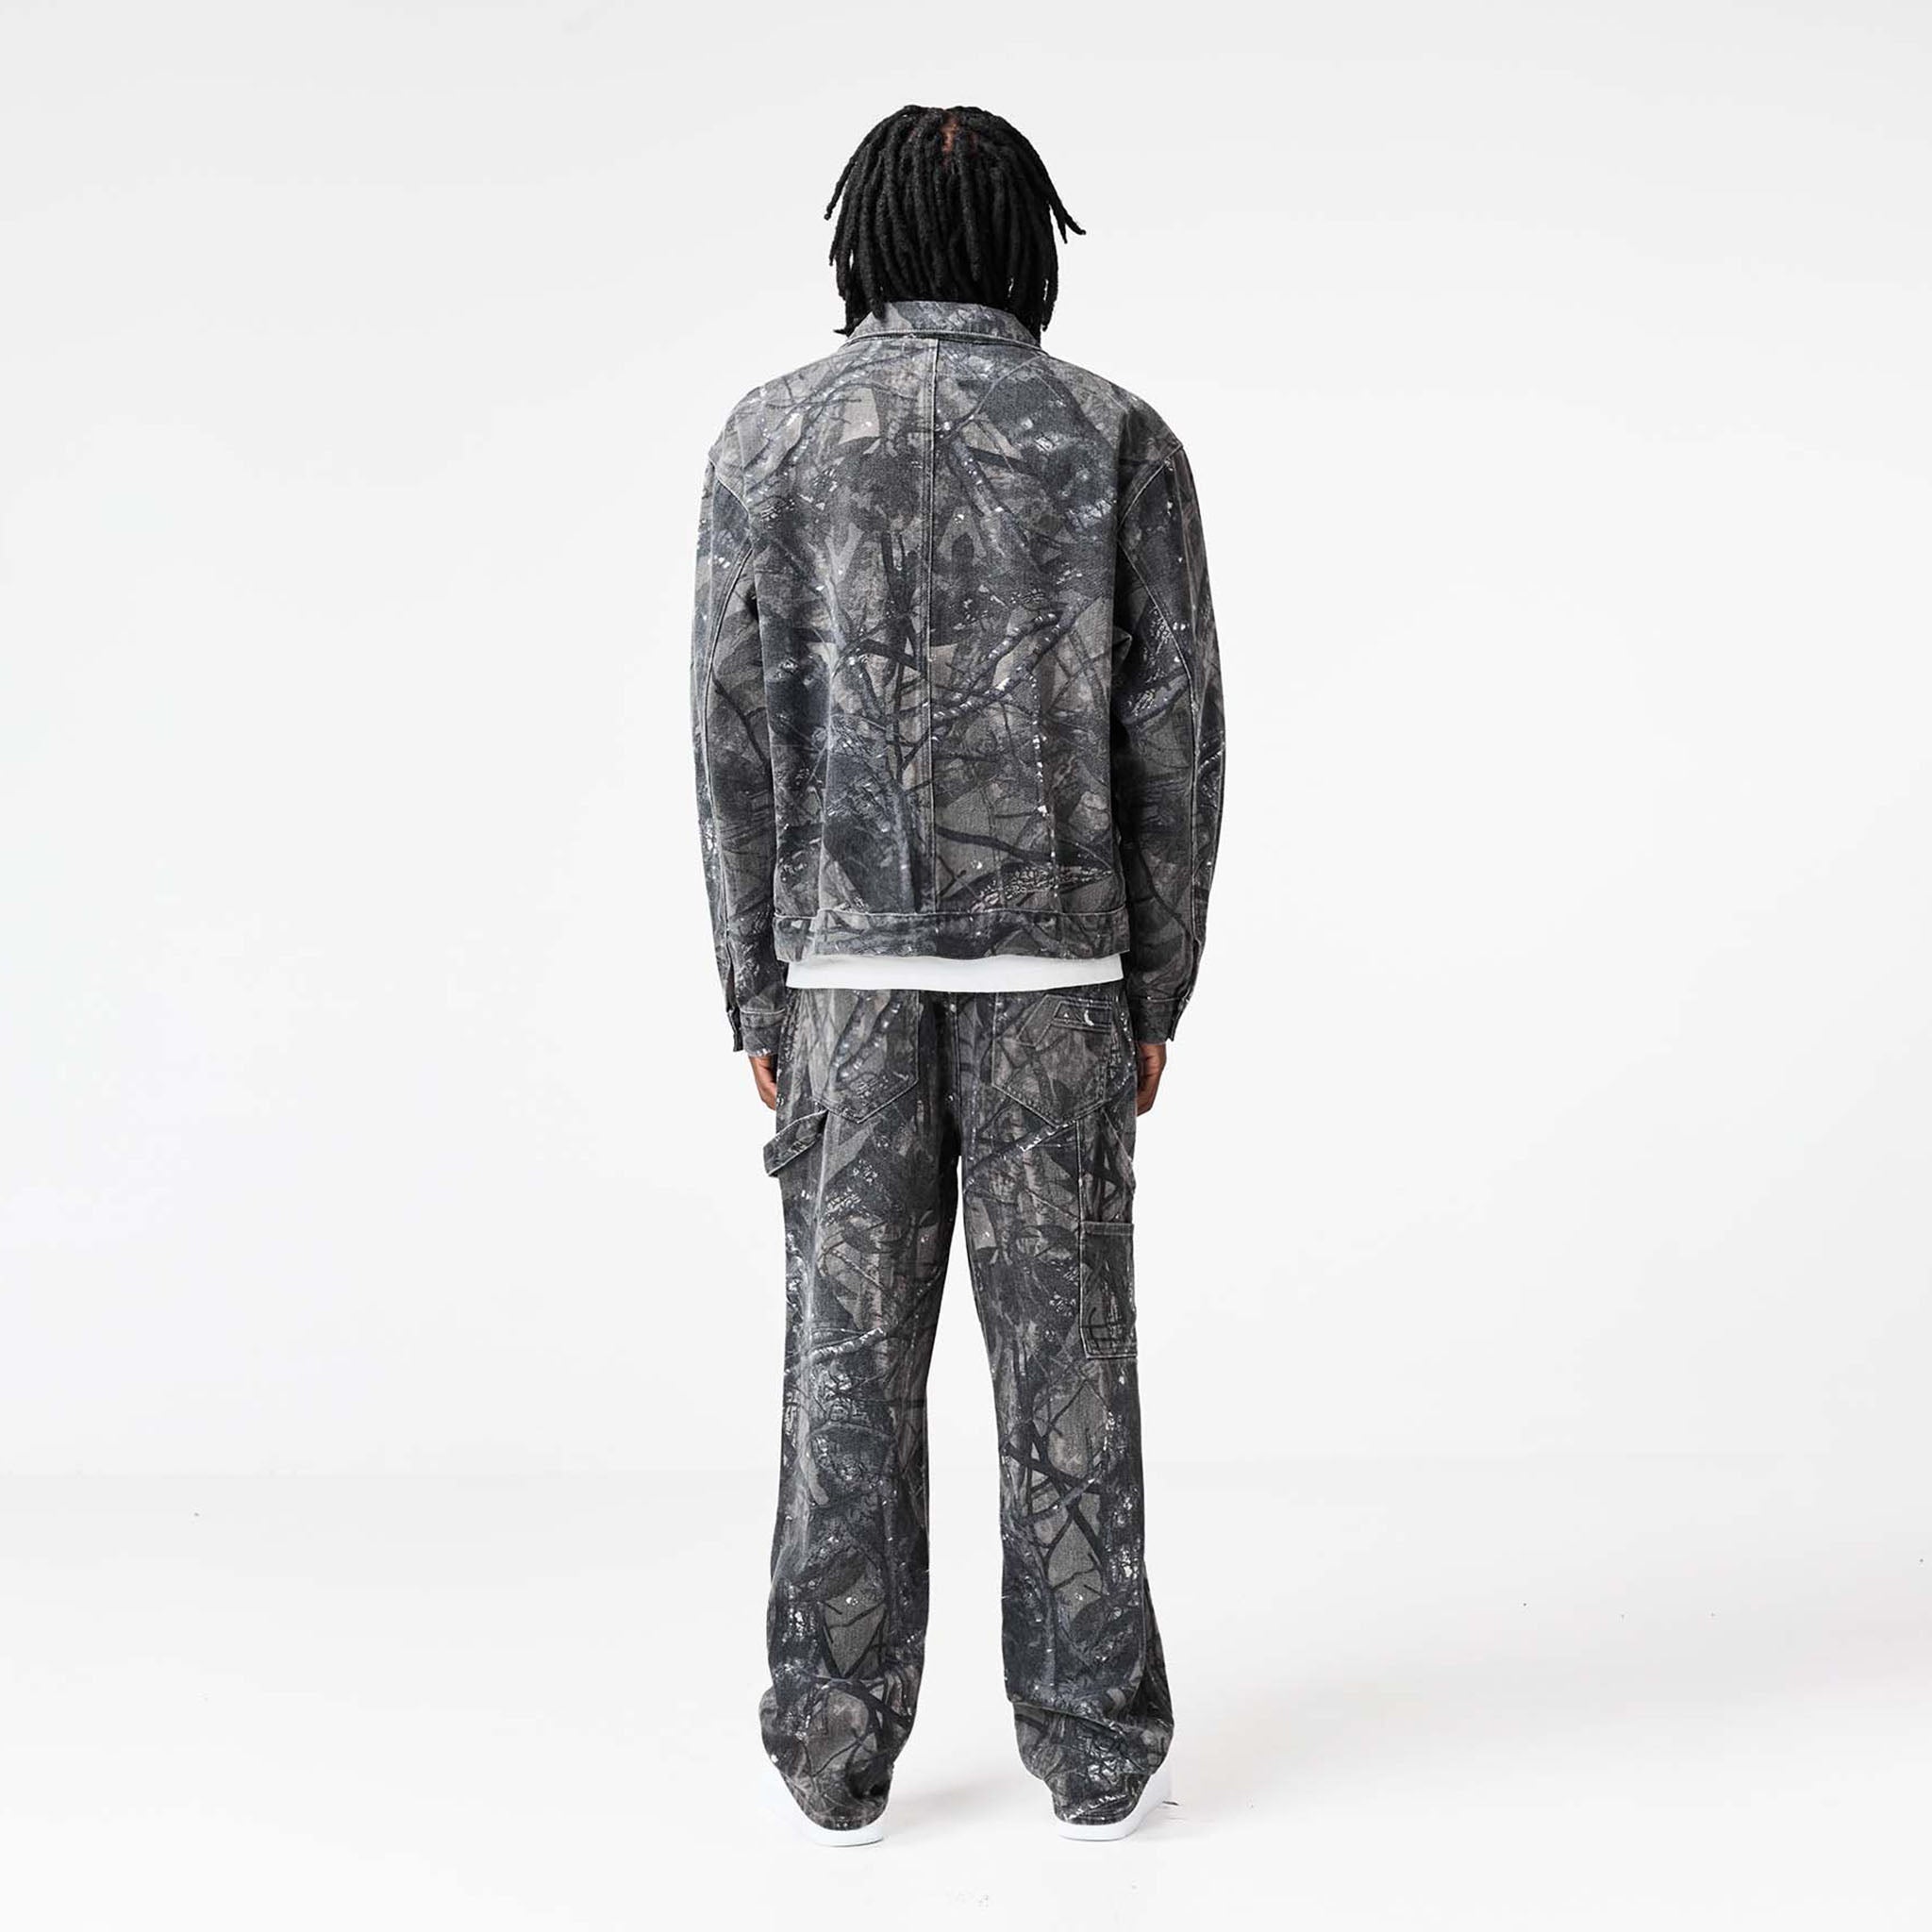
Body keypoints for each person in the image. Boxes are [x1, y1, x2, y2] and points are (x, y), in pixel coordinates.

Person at [689, 103, 1224, 1844]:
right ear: (1021, 243)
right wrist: (1156, 990)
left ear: (866, 241)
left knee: (843, 1376)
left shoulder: (770, 436)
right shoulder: (1113, 436)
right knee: (1070, 1377)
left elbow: (734, 738)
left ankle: (833, 1754)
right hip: (1060, 982)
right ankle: (1096, 1754)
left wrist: (758, 989)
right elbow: (1176, 741)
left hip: (844, 981)